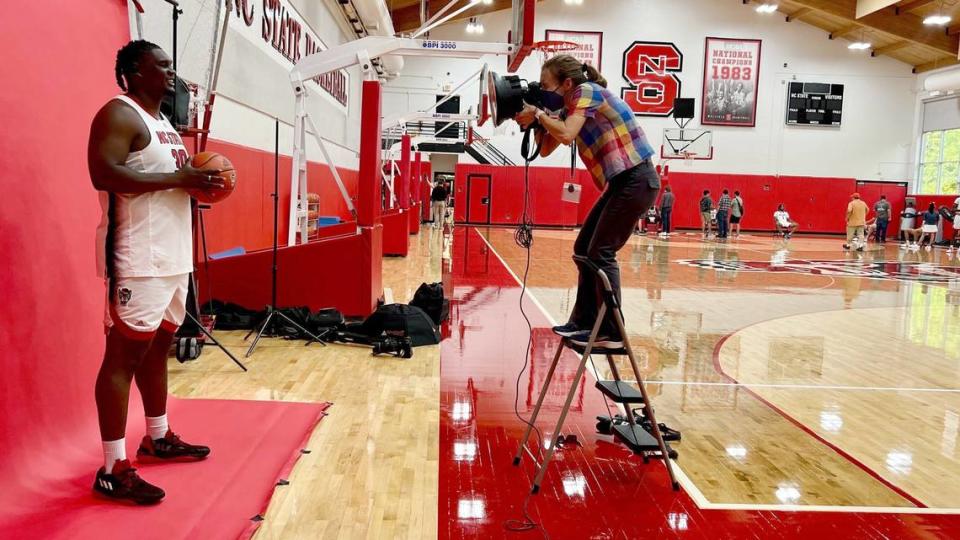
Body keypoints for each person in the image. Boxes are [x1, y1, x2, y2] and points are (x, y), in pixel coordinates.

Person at [88, 41, 217, 505]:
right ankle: (112, 467)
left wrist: (203, 183)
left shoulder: (164, 123)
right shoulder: (119, 115)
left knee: (160, 346)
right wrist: (178, 180)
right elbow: (104, 173)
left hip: (173, 255)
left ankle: (158, 437)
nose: (170, 70)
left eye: (169, 64)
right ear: (134, 73)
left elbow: (170, 182)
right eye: (160, 65)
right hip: (137, 257)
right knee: (122, 359)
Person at [517, 54, 659, 350]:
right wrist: (538, 121)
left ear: (567, 83)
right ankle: (583, 322)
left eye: (546, 85)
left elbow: (567, 136)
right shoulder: (569, 107)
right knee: (584, 249)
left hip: (637, 178)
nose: (542, 90)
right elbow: (544, 150)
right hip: (623, 183)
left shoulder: (587, 92)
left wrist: (540, 115)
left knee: (601, 252)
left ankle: (613, 332)